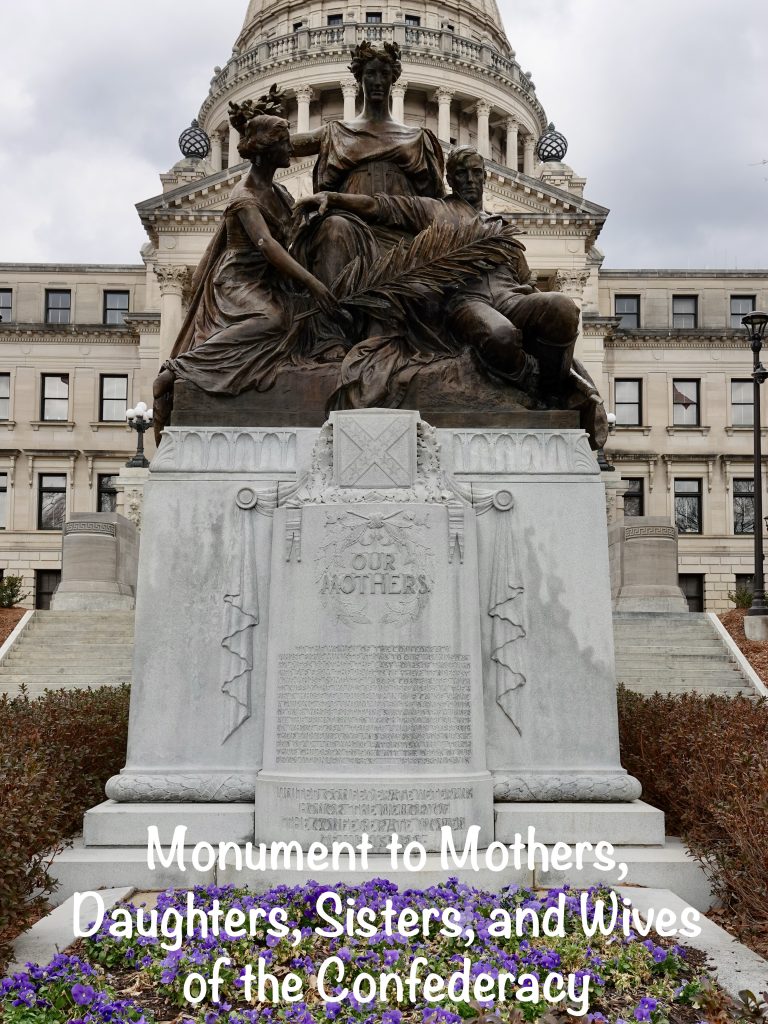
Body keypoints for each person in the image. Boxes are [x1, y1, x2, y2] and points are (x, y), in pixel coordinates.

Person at [295, 145, 607, 446]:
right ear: (450, 179)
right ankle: (532, 380)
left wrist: (545, 319)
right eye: (461, 174)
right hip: (468, 301)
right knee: (500, 335)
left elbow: (525, 280)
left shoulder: (499, 225)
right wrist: (332, 197)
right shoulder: (435, 209)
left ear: (485, 176)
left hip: (512, 297)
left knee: (563, 307)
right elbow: (380, 205)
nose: (469, 180)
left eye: (475, 173)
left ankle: (555, 391)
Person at [152, 105, 343, 437]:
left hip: (270, 280)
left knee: (307, 323)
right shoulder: (244, 196)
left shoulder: (280, 191)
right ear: (266, 150)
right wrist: (313, 283)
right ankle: (180, 368)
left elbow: (293, 230)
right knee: (272, 319)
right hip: (238, 280)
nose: (292, 147)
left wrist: (319, 207)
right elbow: (268, 245)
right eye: (284, 142)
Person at [291, 41, 446, 286]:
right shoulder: (336, 132)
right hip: (349, 225)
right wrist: (257, 129)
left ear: (393, 79)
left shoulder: (418, 138)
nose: (377, 81)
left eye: (384, 74)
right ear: (359, 78)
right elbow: (283, 145)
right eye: (371, 74)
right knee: (334, 228)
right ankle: (331, 308)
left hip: (402, 230)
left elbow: (437, 205)